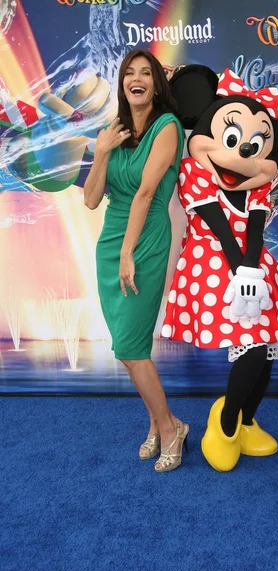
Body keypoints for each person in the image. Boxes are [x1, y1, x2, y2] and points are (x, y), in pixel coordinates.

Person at [162, 66, 278, 472]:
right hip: (214, 267)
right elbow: (218, 227)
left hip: (254, 269)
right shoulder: (194, 174)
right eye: (233, 138)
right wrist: (240, 272)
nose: (243, 151)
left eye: (257, 144)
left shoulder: (258, 186)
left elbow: (255, 228)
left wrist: (252, 271)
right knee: (254, 347)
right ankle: (223, 425)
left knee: (266, 351)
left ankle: (245, 420)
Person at [83, 49, 188, 473]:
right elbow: (91, 199)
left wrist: (129, 252)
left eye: (146, 73)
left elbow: (146, 193)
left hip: (144, 241)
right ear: (123, 82)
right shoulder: (116, 129)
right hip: (111, 240)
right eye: (130, 72)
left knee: (129, 345)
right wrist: (102, 150)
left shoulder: (168, 126)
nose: (137, 78)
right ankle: (160, 423)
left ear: (156, 84)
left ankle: (169, 428)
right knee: (132, 349)